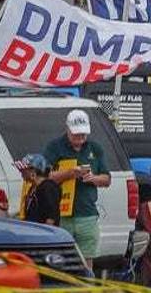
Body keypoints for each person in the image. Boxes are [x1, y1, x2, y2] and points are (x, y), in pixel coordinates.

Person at [43, 109, 111, 265]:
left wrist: (93, 178)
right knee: (60, 259)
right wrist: (69, 173)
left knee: (87, 260)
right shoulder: (55, 147)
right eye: (76, 134)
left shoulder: (95, 148)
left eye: (83, 134)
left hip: (87, 214)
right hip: (61, 213)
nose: (81, 139)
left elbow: (106, 179)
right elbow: (44, 176)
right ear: (67, 129)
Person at [14, 154, 60, 226]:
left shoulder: (48, 188)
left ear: (33, 172)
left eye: (24, 170)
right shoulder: (33, 188)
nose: (21, 173)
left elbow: (51, 216)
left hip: (43, 233)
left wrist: (45, 234)